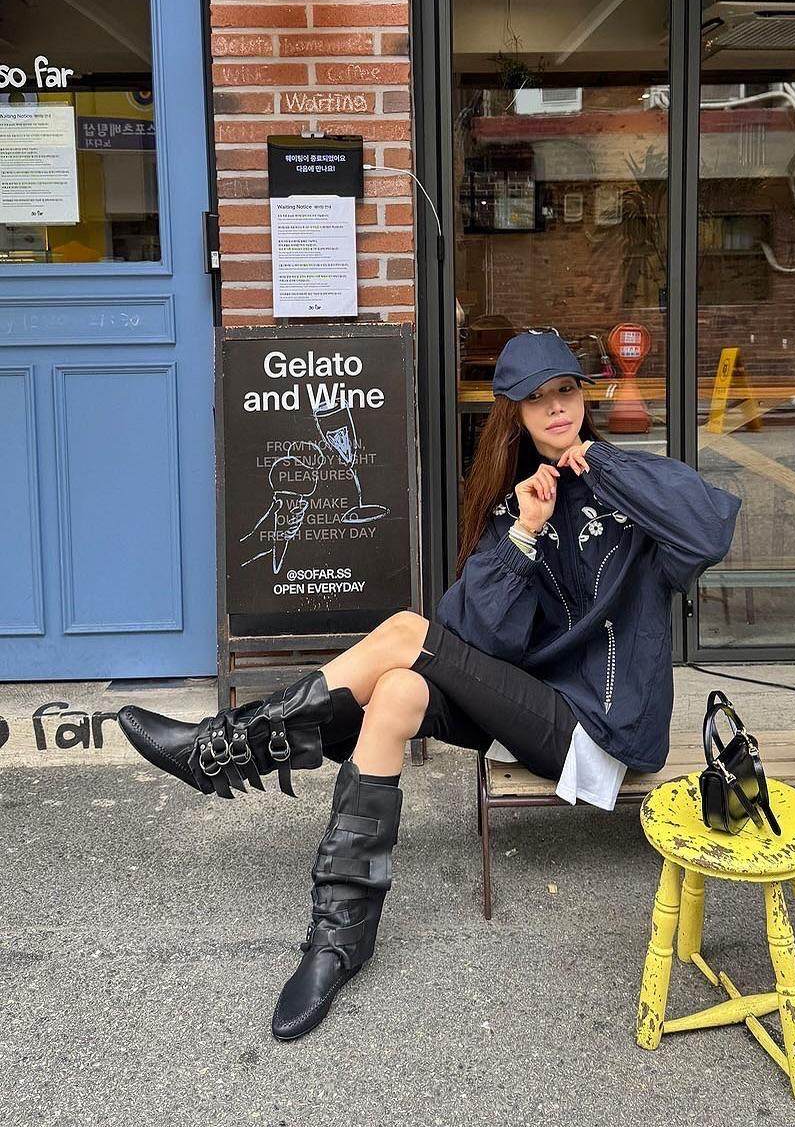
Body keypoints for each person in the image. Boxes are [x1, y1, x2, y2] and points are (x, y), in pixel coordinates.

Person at [117, 328, 741, 1042]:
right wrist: (523, 537)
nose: (555, 408)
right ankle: (340, 935)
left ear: (582, 396)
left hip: (601, 733)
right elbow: (476, 638)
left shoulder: (633, 494)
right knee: (398, 692)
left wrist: (597, 461)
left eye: (566, 391)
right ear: (515, 414)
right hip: (533, 711)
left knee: (406, 633)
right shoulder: (519, 508)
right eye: (536, 399)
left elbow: (708, 531)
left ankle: (227, 747)